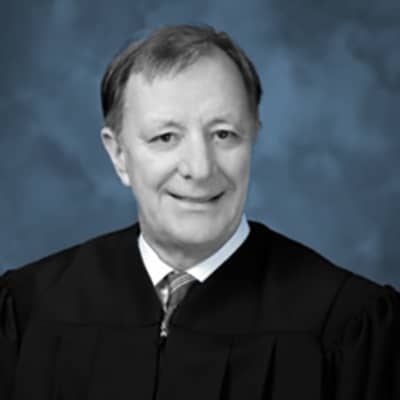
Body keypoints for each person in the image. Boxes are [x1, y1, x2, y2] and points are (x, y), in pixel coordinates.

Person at [0, 24, 399, 400]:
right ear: (119, 154)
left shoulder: (347, 325)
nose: (200, 168)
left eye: (224, 134)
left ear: (253, 138)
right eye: (165, 137)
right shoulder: (31, 309)